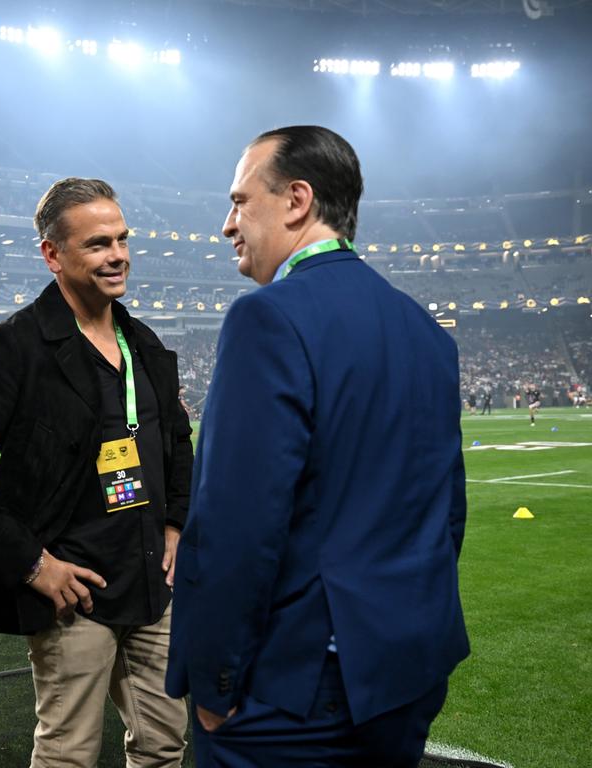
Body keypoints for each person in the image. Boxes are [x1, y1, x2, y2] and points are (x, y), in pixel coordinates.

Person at [166, 126, 469, 767]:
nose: (228, 223)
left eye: (241, 200)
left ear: (297, 200)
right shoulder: (424, 330)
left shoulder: (268, 317)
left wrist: (216, 682)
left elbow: (235, 522)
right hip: (406, 669)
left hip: (298, 688)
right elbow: (446, 512)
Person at [0, 178, 193, 768]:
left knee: (165, 742)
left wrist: (177, 526)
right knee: (70, 753)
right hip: (74, 591)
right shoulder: (15, 347)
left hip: (150, 582)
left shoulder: (144, 344)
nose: (117, 255)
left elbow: (178, 443)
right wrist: (31, 563)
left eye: (121, 239)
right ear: (52, 253)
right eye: (96, 244)